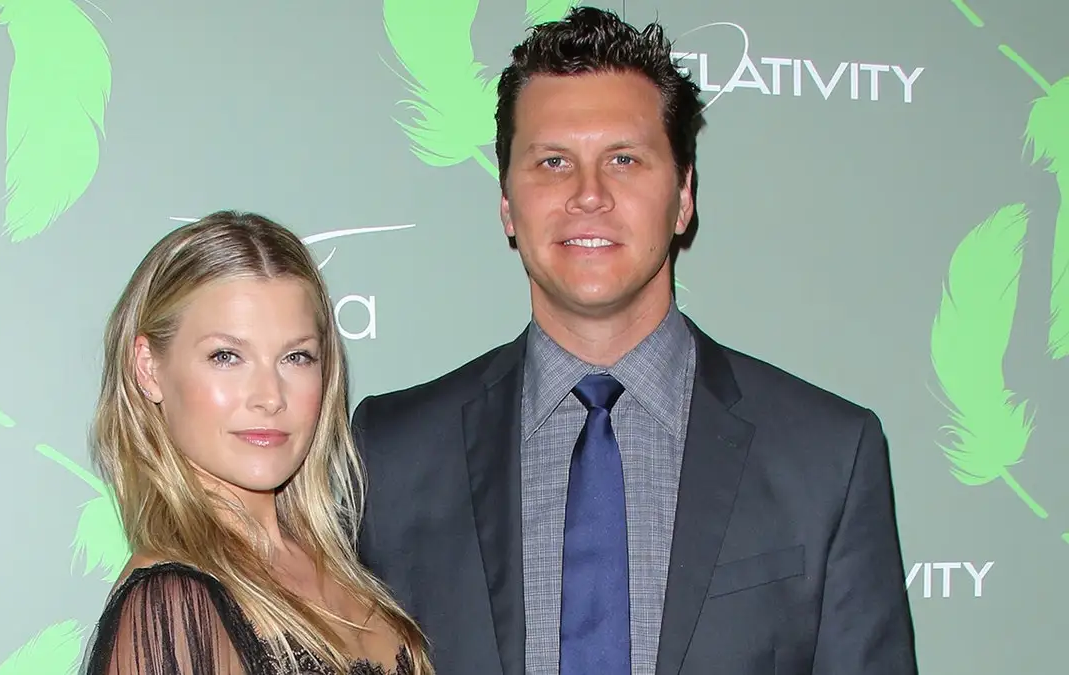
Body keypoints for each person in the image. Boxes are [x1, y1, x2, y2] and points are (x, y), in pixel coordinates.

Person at [352, 7, 917, 675]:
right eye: (553, 161)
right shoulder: (391, 452)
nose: (588, 194)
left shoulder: (827, 456)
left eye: (624, 159)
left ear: (683, 196)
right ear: (507, 202)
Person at [79, 211, 432, 675]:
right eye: (226, 356)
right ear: (148, 368)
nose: (270, 397)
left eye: (296, 357)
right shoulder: (172, 607)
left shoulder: (345, 566)